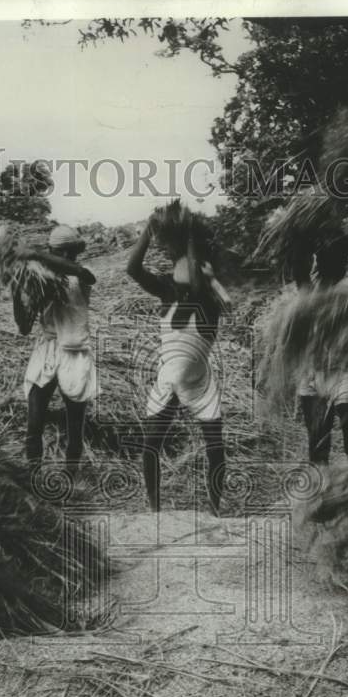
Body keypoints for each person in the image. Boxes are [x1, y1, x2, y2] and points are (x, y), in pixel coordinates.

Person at [127, 206, 229, 515]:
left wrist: (188, 239)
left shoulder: (207, 302)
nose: (178, 274)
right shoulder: (167, 293)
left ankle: (214, 508)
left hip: (200, 382)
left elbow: (197, 285)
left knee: (215, 449)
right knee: (150, 447)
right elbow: (133, 269)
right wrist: (148, 229)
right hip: (167, 379)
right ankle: (155, 508)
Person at [22, 225, 98, 480]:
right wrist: (18, 288)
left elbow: (79, 272)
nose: (68, 259)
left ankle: (70, 480)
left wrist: (32, 255)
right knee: (34, 424)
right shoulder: (39, 280)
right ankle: (34, 476)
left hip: (74, 352)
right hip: (46, 349)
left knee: (75, 426)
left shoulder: (82, 275)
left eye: (64, 254)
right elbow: (23, 327)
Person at [298, 235, 348, 464]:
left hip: (346, 365)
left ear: (344, 259)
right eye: (321, 258)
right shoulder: (308, 283)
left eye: (338, 258)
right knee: (318, 436)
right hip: (312, 368)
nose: (325, 264)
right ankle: (321, 487)